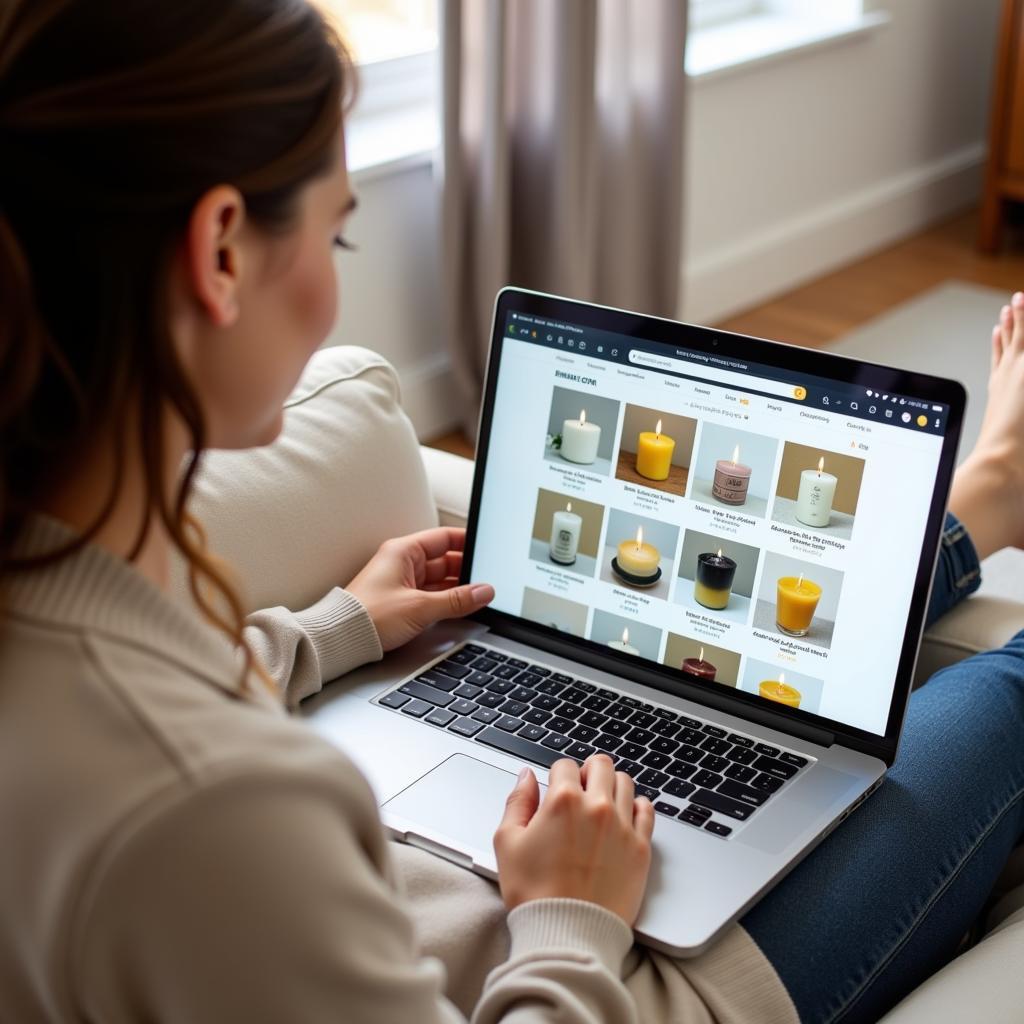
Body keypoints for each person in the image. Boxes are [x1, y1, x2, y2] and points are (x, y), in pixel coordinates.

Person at [0, 2, 1019, 1022]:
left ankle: (979, 498)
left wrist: (334, 630)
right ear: (220, 250)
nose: (333, 279)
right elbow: (189, 766)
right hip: (629, 974)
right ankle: (994, 486)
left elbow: (167, 688)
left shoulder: (59, 609)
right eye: (337, 231)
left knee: (741, 656)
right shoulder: (217, 804)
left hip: (489, 883)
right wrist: (574, 916)